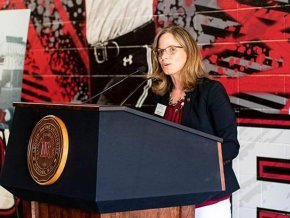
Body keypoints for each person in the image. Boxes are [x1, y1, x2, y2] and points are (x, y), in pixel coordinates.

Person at [150, 26, 240, 218]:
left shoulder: (211, 91)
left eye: (171, 50)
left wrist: (192, 160)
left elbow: (231, 146)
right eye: (160, 51)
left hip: (207, 198)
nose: (164, 56)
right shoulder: (159, 96)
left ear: (188, 51)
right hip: (169, 196)